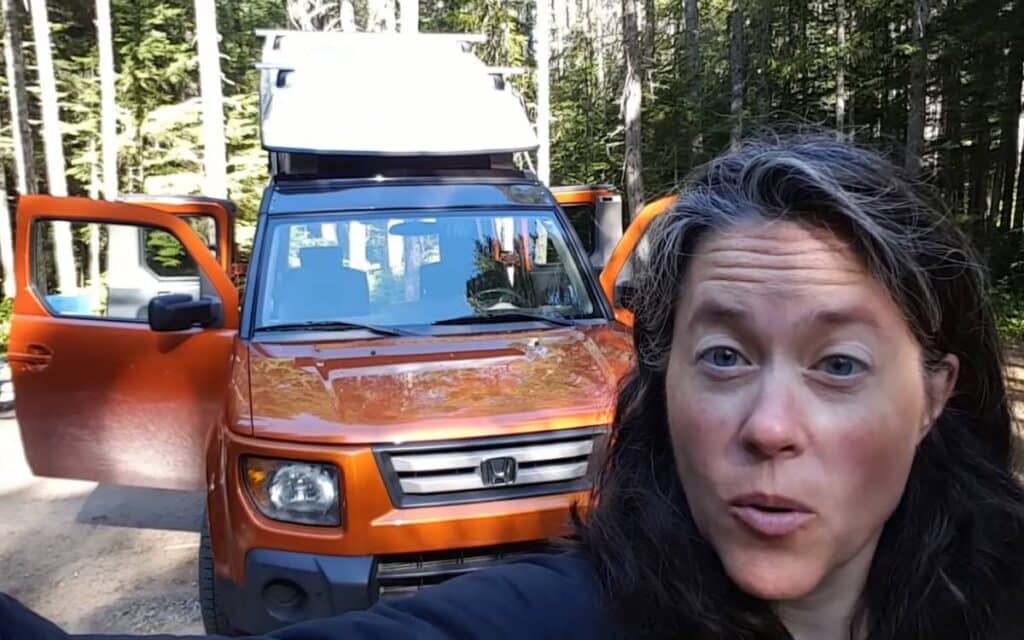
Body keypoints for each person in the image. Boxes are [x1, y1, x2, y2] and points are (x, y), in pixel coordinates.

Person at [3, 134, 1023, 639]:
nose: (766, 426)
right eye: (722, 354)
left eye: (837, 363)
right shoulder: (572, 612)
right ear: (665, 377)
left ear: (936, 391)